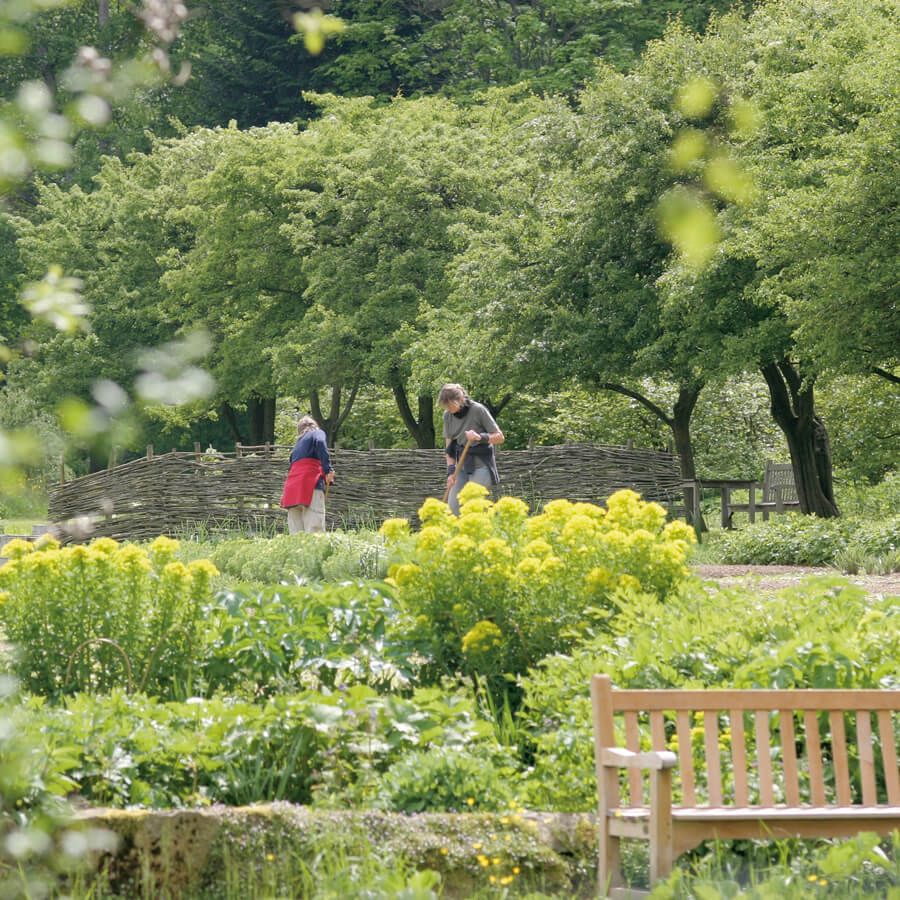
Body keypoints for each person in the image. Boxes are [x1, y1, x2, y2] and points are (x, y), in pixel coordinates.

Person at [439, 383, 504, 515]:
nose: (448, 408)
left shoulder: (478, 410)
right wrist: (451, 471)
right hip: (461, 466)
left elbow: (500, 437)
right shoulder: (448, 415)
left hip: (481, 465)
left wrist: (479, 437)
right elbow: (449, 447)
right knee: (453, 509)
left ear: (460, 400)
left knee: (474, 508)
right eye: (446, 405)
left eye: (450, 404)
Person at [280, 416, 335, 534]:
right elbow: (320, 442)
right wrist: (328, 470)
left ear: (300, 430)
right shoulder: (317, 433)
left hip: (291, 490)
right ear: (314, 425)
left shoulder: (296, 448)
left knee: (296, 534)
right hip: (310, 483)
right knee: (314, 530)